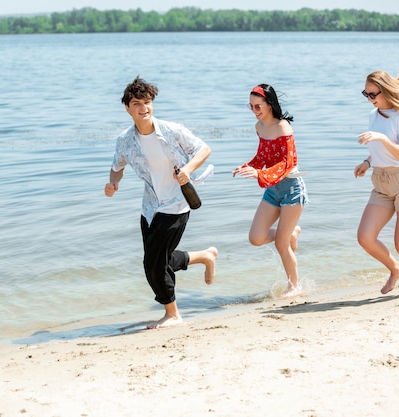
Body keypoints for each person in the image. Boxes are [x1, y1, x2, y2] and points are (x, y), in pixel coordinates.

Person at [104, 76, 218, 329]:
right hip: (150, 207)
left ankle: (172, 314)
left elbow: (204, 149)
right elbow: (117, 167)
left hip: (177, 203)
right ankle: (204, 256)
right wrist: (113, 183)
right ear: (127, 108)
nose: (143, 107)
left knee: (152, 264)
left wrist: (188, 169)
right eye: (136, 103)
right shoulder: (125, 140)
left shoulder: (171, 130)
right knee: (159, 260)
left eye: (147, 102)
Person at [354, 65, 399, 297]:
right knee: (365, 237)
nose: (369, 99)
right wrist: (367, 162)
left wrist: (383, 139)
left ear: (385, 92)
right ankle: (396, 269)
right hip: (381, 183)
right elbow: (378, 148)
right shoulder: (373, 116)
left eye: (372, 94)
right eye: (365, 94)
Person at [232, 84, 308, 297]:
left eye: (258, 106)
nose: (255, 110)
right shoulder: (260, 127)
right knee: (256, 238)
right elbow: (263, 157)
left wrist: (260, 175)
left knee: (281, 244)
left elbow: (288, 162)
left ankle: (295, 286)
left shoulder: (283, 127)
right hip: (273, 189)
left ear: (269, 104)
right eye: (251, 106)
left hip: (292, 189)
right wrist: (249, 167)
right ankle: (291, 231)